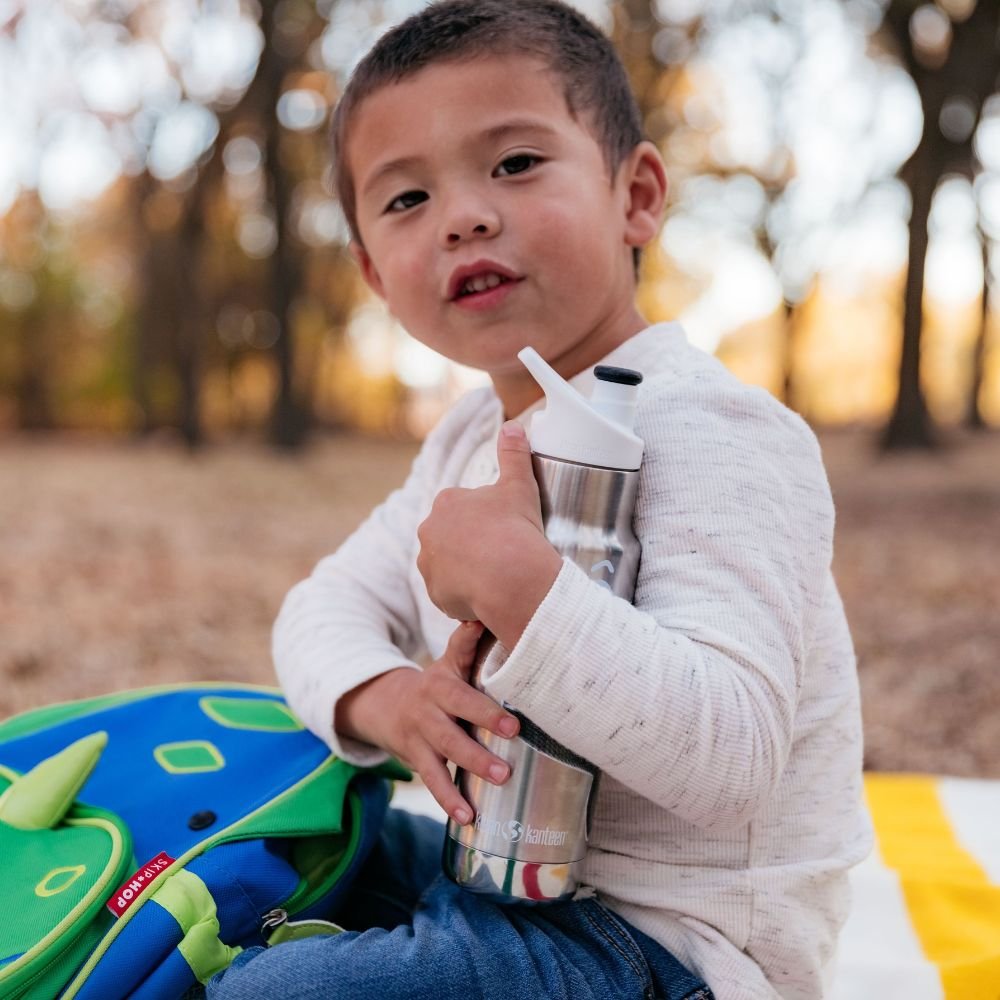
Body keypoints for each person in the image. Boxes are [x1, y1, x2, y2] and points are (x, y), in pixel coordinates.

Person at [206, 2, 871, 998]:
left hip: (662, 943)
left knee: (271, 992)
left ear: (634, 195)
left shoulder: (719, 435)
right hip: (485, 873)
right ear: (373, 275)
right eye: (405, 199)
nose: (464, 215)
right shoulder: (467, 442)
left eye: (514, 164)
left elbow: (730, 755)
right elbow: (323, 606)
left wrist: (529, 588)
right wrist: (388, 701)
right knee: (242, 834)